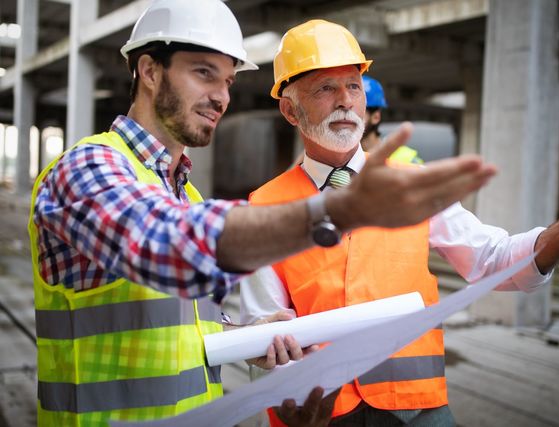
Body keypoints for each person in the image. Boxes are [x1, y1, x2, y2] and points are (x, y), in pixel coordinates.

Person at [27, 1, 497, 426]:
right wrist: (337, 207)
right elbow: (167, 246)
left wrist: (246, 336)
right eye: (204, 73)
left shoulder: (186, 193)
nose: (221, 96)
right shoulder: (88, 166)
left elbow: (173, 322)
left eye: (228, 80)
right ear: (149, 70)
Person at [238, 19, 559, 427]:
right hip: (320, 415)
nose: (345, 100)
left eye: (353, 86)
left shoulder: (413, 183)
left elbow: (492, 260)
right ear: (290, 109)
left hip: (419, 410)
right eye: (326, 88)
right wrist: (293, 401)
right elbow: (264, 329)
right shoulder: (265, 206)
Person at [361, 75, 423, 164]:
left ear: (376, 117)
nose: (349, 118)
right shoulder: (339, 160)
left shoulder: (406, 159)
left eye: (357, 113)